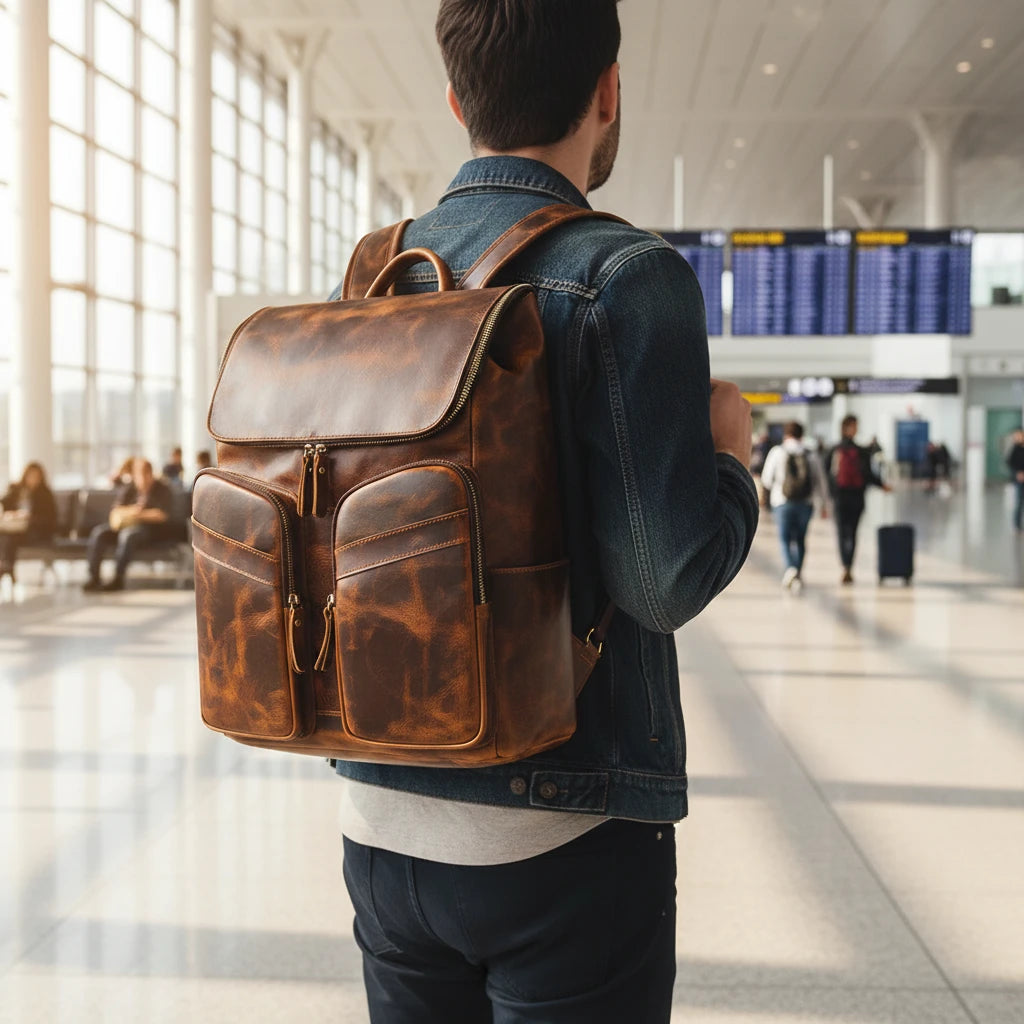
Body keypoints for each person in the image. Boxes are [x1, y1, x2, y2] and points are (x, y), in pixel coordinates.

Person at [327, 3, 760, 1021]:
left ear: (454, 98)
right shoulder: (626, 274)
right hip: (559, 827)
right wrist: (731, 458)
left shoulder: (372, 275)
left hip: (380, 814)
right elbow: (666, 580)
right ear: (607, 91)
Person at [83, 458, 177, 592]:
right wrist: (133, 511)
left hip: (150, 530)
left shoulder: (162, 489)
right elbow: (116, 510)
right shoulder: (130, 488)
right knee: (99, 533)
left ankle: (118, 578)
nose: (143, 479)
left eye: (146, 474)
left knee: (128, 535)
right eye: (139, 475)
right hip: (124, 526)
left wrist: (139, 514)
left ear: (151, 474)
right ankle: (94, 578)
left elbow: (162, 515)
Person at [760, 422, 829, 590]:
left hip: (782, 502)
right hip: (806, 503)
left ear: (786, 435)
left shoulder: (777, 452)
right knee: (800, 539)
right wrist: (824, 504)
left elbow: (766, 479)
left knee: (784, 538)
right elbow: (821, 482)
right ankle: (797, 571)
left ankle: (790, 568)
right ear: (801, 435)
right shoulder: (811, 455)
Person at [828, 414, 891, 584]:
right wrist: (881, 485)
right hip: (856, 497)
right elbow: (868, 474)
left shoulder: (834, 449)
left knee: (842, 532)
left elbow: (828, 475)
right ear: (848, 428)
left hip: (840, 497)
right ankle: (849, 565)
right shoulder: (860, 451)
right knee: (853, 532)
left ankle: (845, 565)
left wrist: (829, 497)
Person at [0, 463, 58, 582]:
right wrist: (14, 514)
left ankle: (7, 567)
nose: (33, 479)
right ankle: (6, 566)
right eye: (30, 476)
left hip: (35, 530)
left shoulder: (45, 494)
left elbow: (50, 518)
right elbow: (4, 502)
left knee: (11, 537)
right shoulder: (15, 490)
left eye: (36, 476)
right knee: (7, 535)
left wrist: (30, 518)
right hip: (15, 528)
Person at [1008, 428, 1024, 532]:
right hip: (1019, 479)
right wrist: (1018, 473)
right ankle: (1016, 525)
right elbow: (1010, 463)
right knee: (1018, 502)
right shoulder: (1015, 448)